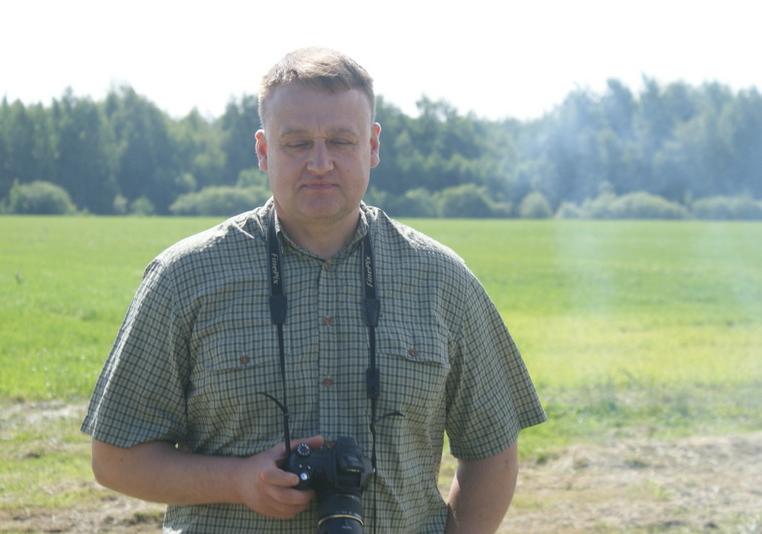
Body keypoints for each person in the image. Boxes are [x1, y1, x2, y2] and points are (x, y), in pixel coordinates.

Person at [82, 46, 546, 534]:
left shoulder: (443, 280)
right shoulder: (184, 278)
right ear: (263, 150)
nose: (320, 163)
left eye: (341, 141)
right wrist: (237, 481)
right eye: (297, 143)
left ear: (372, 145)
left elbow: (493, 452)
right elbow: (115, 458)